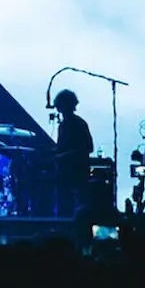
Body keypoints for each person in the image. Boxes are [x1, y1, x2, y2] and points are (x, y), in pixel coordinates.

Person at [51, 89, 93, 217]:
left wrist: (63, 156)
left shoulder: (78, 123)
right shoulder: (63, 125)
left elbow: (88, 148)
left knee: (75, 205)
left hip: (77, 171)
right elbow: (62, 148)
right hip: (65, 172)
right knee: (64, 204)